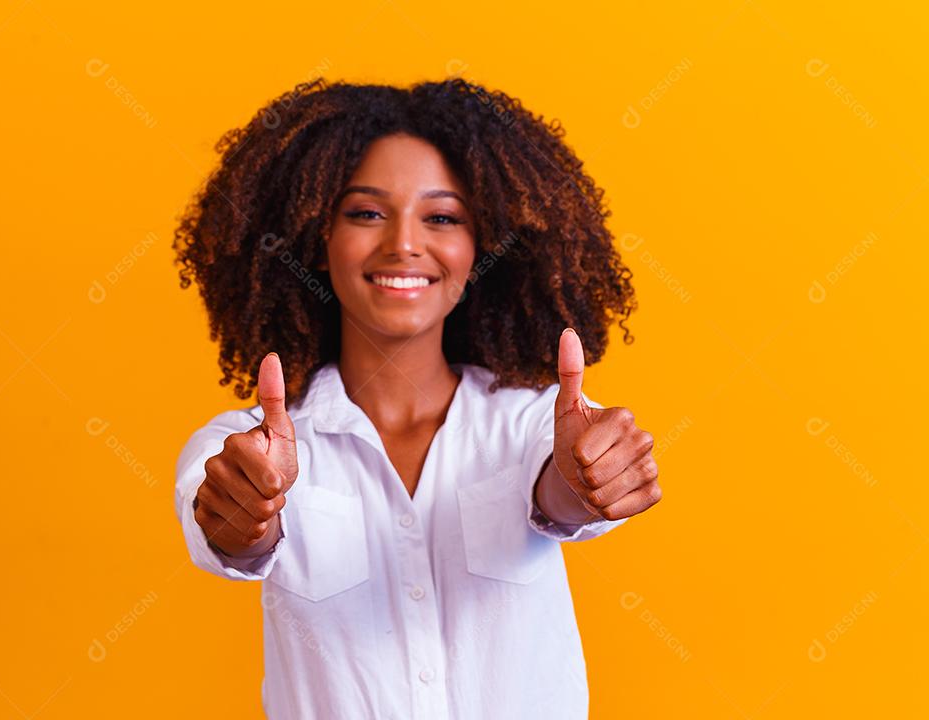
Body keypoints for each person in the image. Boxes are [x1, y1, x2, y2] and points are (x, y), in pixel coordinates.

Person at [173, 78, 662, 719]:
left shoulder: (532, 423)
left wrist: (587, 481)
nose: (403, 243)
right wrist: (246, 515)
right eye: (367, 213)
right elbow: (228, 529)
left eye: (442, 217)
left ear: (478, 248)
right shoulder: (244, 447)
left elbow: (559, 492)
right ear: (316, 241)